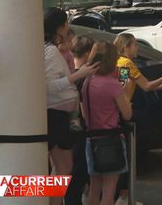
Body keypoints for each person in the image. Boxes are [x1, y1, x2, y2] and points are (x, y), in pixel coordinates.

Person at [113, 33, 162, 205]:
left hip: (113, 113)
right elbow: (147, 86)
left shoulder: (117, 63)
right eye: (134, 44)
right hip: (124, 113)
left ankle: (120, 195)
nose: (137, 47)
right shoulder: (127, 63)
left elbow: (131, 85)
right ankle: (124, 196)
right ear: (125, 47)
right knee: (126, 156)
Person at [44, 7, 98, 205]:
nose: (68, 28)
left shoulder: (48, 49)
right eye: (65, 24)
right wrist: (79, 75)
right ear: (58, 27)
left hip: (58, 114)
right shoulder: (50, 51)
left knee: (60, 167)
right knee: (63, 167)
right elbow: (48, 86)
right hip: (56, 115)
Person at [82, 40, 132, 205]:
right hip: (111, 140)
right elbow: (127, 114)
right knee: (109, 191)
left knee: (94, 188)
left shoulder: (87, 81)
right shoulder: (112, 84)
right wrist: (124, 93)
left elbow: (84, 112)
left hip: (91, 138)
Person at [64, 35, 95, 205]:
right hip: (81, 130)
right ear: (89, 52)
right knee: (78, 174)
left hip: (63, 127)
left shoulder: (67, 72)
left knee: (64, 172)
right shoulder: (84, 77)